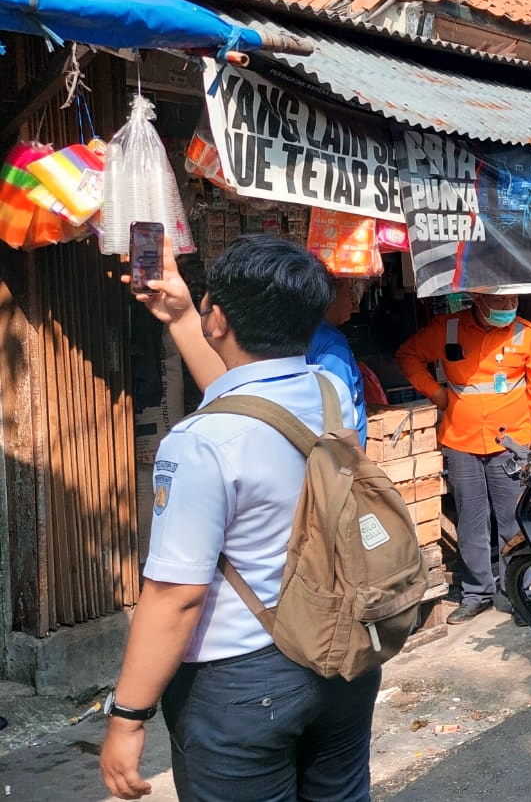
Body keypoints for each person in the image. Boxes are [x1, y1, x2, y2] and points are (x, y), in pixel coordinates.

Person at [101, 235, 369, 802]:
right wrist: (179, 316)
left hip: (243, 684)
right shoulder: (328, 394)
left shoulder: (198, 444)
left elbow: (176, 597)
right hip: (343, 657)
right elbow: (248, 397)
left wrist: (127, 716)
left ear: (217, 318)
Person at [397, 292, 531, 625]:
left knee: (513, 522)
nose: (507, 308)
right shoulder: (447, 328)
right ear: (476, 299)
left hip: (510, 444)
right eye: (499, 303)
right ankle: (477, 594)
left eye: (512, 301)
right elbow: (408, 355)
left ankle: (518, 593)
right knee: (470, 522)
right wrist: (436, 393)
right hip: (461, 441)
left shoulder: (525, 332)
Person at [308, 277, 369, 445]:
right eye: (348, 291)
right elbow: (338, 409)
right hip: (341, 455)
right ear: (330, 297)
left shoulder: (307, 332)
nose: (353, 299)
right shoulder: (333, 345)